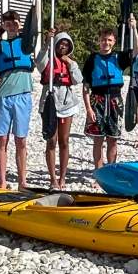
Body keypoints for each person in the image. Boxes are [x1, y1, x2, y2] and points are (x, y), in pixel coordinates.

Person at [0, 0, 41, 191]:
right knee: (2, 140)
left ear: (19, 25)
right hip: (3, 96)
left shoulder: (27, 42)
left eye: (14, 23)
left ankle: (22, 181)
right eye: (7, 23)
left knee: (21, 140)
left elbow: (35, 20)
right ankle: (2, 181)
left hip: (23, 96)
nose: (11, 26)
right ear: (4, 25)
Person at [83, 15, 138, 169]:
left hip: (115, 101)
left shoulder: (119, 57)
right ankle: (98, 171)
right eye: (103, 39)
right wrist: (88, 109)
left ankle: (111, 170)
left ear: (114, 42)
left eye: (109, 40)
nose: (105, 43)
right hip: (97, 101)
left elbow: (137, 52)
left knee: (113, 139)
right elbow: (86, 86)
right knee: (98, 140)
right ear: (99, 40)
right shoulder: (92, 59)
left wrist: (133, 28)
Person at [36, 30, 84, 189]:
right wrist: (46, 43)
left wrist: (70, 63)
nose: (63, 46)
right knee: (52, 141)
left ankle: (63, 177)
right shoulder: (47, 59)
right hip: (49, 103)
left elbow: (78, 80)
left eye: (66, 44)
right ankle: (53, 179)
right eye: (60, 43)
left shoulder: (71, 62)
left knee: (64, 141)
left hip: (67, 104)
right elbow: (39, 63)